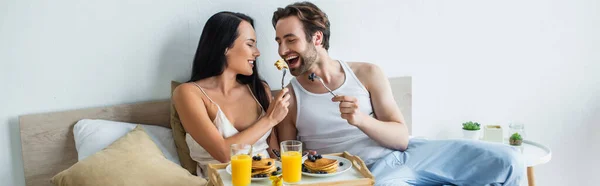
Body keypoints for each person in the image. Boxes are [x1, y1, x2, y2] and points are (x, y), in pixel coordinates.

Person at [272, 2, 525, 185]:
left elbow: (401, 139)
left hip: (410, 153)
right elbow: (292, 159)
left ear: (317, 38)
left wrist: (361, 119)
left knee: (508, 159)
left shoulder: (367, 73)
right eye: (279, 41)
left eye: (290, 40)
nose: (282, 50)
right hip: (365, 173)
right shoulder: (288, 98)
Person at [172, 11, 291, 178]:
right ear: (225, 47)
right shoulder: (188, 94)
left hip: (268, 179)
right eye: (250, 44)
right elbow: (224, 153)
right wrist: (270, 119)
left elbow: (274, 153)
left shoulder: (259, 89)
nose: (257, 52)